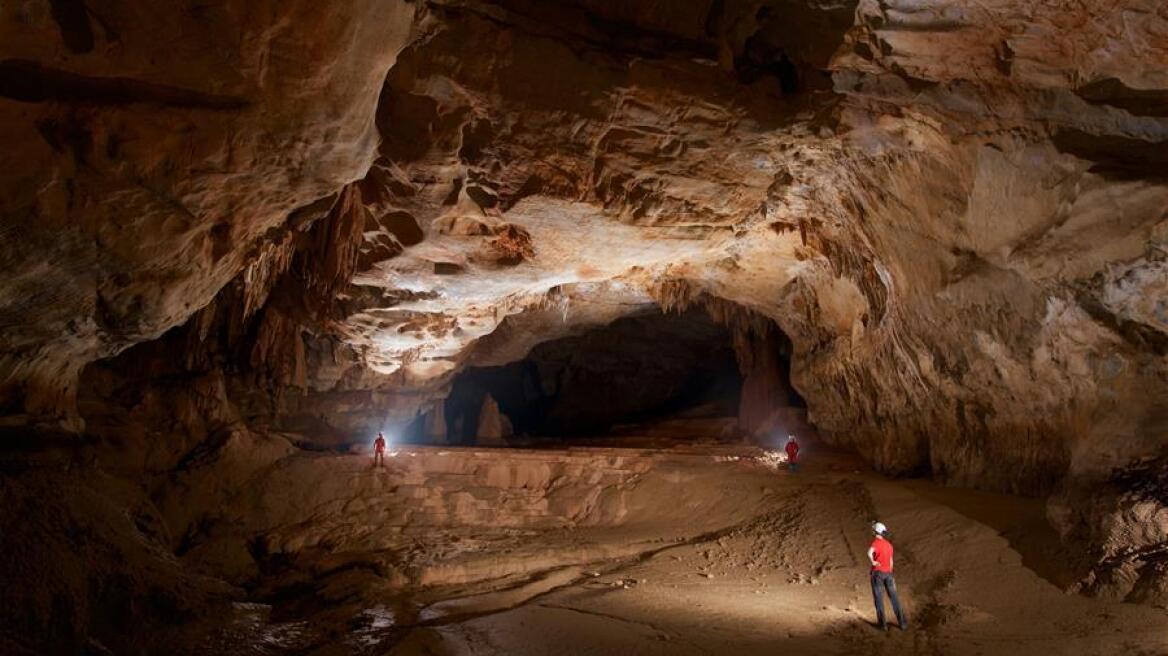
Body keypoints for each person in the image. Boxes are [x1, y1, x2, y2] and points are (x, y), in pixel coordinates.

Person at [867, 521, 908, 631]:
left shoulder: (876, 542)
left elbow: (869, 552)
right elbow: (891, 561)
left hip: (878, 574)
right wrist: (889, 571)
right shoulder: (889, 545)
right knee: (894, 598)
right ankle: (903, 623)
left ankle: (883, 625)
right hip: (889, 574)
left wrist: (873, 562)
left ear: (876, 532)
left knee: (879, 599)